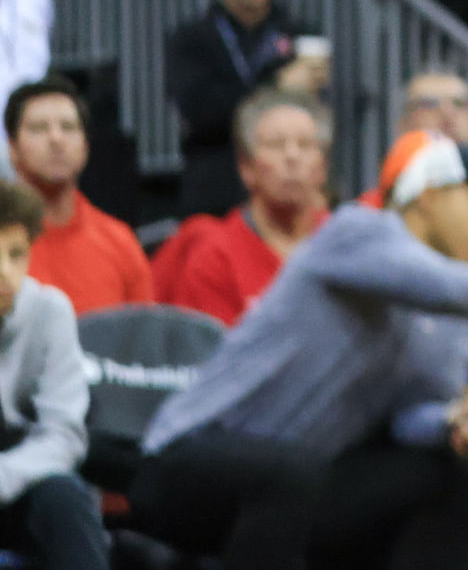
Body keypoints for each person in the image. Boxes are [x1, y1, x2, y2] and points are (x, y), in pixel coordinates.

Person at [133, 131, 468, 570]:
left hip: (303, 484)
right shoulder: (358, 231)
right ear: (427, 196)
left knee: (464, 484)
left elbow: (409, 420)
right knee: (285, 473)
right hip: (187, 462)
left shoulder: (449, 319)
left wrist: (453, 424)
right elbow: (443, 285)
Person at [163, 0, 326, 218]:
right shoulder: (190, 39)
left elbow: (312, 113)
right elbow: (201, 111)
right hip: (214, 185)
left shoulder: (300, 34)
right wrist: (278, 86)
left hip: (289, 185)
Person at [151, 91, 332, 324]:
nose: (292, 156)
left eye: (305, 145)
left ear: (323, 167)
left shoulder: (348, 245)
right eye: (276, 145)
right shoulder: (214, 256)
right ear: (246, 168)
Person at [0, 179, 101, 570]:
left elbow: (64, 435)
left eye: (16, 254)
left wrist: (5, 475)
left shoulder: (49, 310)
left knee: (65, 497)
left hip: (22, 478)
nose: (4, 271)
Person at [6, 85, 148, 314]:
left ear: (85, 147)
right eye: (39, 128)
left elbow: (144, 342)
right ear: (12, 148)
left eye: (68, 127)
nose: (56, 139)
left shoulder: (121, 243)